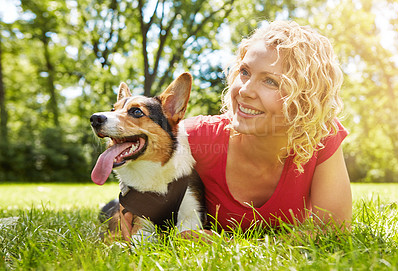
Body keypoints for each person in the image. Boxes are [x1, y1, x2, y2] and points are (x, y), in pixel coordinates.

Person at [119, 20, 352, 238]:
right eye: (245, 72)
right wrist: (128, 210)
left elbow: (332, 230)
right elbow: (137, 176)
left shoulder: (321, 137)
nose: (244, 90)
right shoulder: (196, 137)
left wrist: (229, 245)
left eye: (270, 81)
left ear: (304, 100)